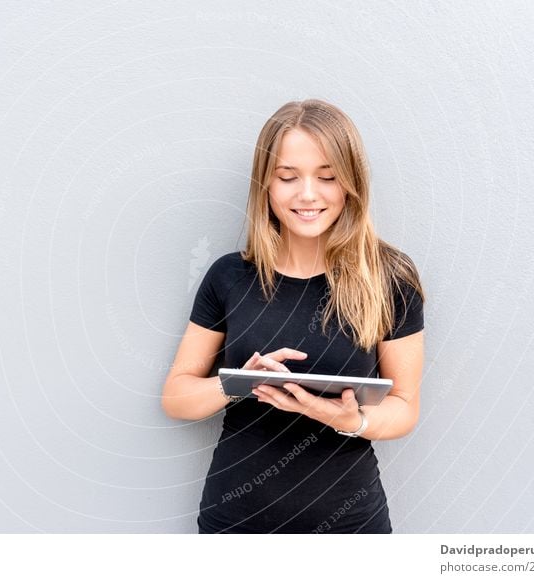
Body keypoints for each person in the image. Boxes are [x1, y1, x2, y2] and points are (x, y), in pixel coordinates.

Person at [161, 99, 425, 534]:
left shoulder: (390, 277)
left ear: (350, 184)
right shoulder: (230, 275)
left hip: (350, 529)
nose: (307, 194)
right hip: (236, 525)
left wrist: (350, 421)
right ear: (265, 184)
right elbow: (176, 397)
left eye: (327, 177)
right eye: (288, 177)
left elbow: (404, 407)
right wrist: (237, 381)